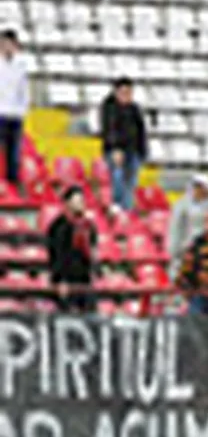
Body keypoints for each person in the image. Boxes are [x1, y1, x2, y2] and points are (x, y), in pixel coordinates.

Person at [100, 77, 147, 211]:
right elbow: (109, 129)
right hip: (116, 151)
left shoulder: (135, 108)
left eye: (129, 93)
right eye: (124, 92)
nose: (127, 96)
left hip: (133, 151)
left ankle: (127, 210)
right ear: (116, 92)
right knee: (117, 176)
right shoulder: (109, 108)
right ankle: (117, 206)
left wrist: (142, 151)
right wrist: (115, 148)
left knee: (131, 183)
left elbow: (141, 130)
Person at [46, 186, 96, 312]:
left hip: (84, 279)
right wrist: (60, 280)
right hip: (65, 280)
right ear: (67, 203)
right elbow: (56, 255)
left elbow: (92, 249)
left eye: (82, 201)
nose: (81, 204)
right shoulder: (58, 226)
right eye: (77, 201)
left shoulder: (88, 225)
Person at [169, 173, 208, 277]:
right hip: (184, 250)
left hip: (202, 250)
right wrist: (176, 250)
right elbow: (175, 229)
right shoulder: (181, 205)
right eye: (200, 187)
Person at [0, 29, 29, 186]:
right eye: (4, 43)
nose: (7, 47)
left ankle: (12, 181)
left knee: (14, 150)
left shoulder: (20, 66)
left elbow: (24, 90)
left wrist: (22, 110)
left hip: (15, 114)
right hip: (1, 112)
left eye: (10, 44)